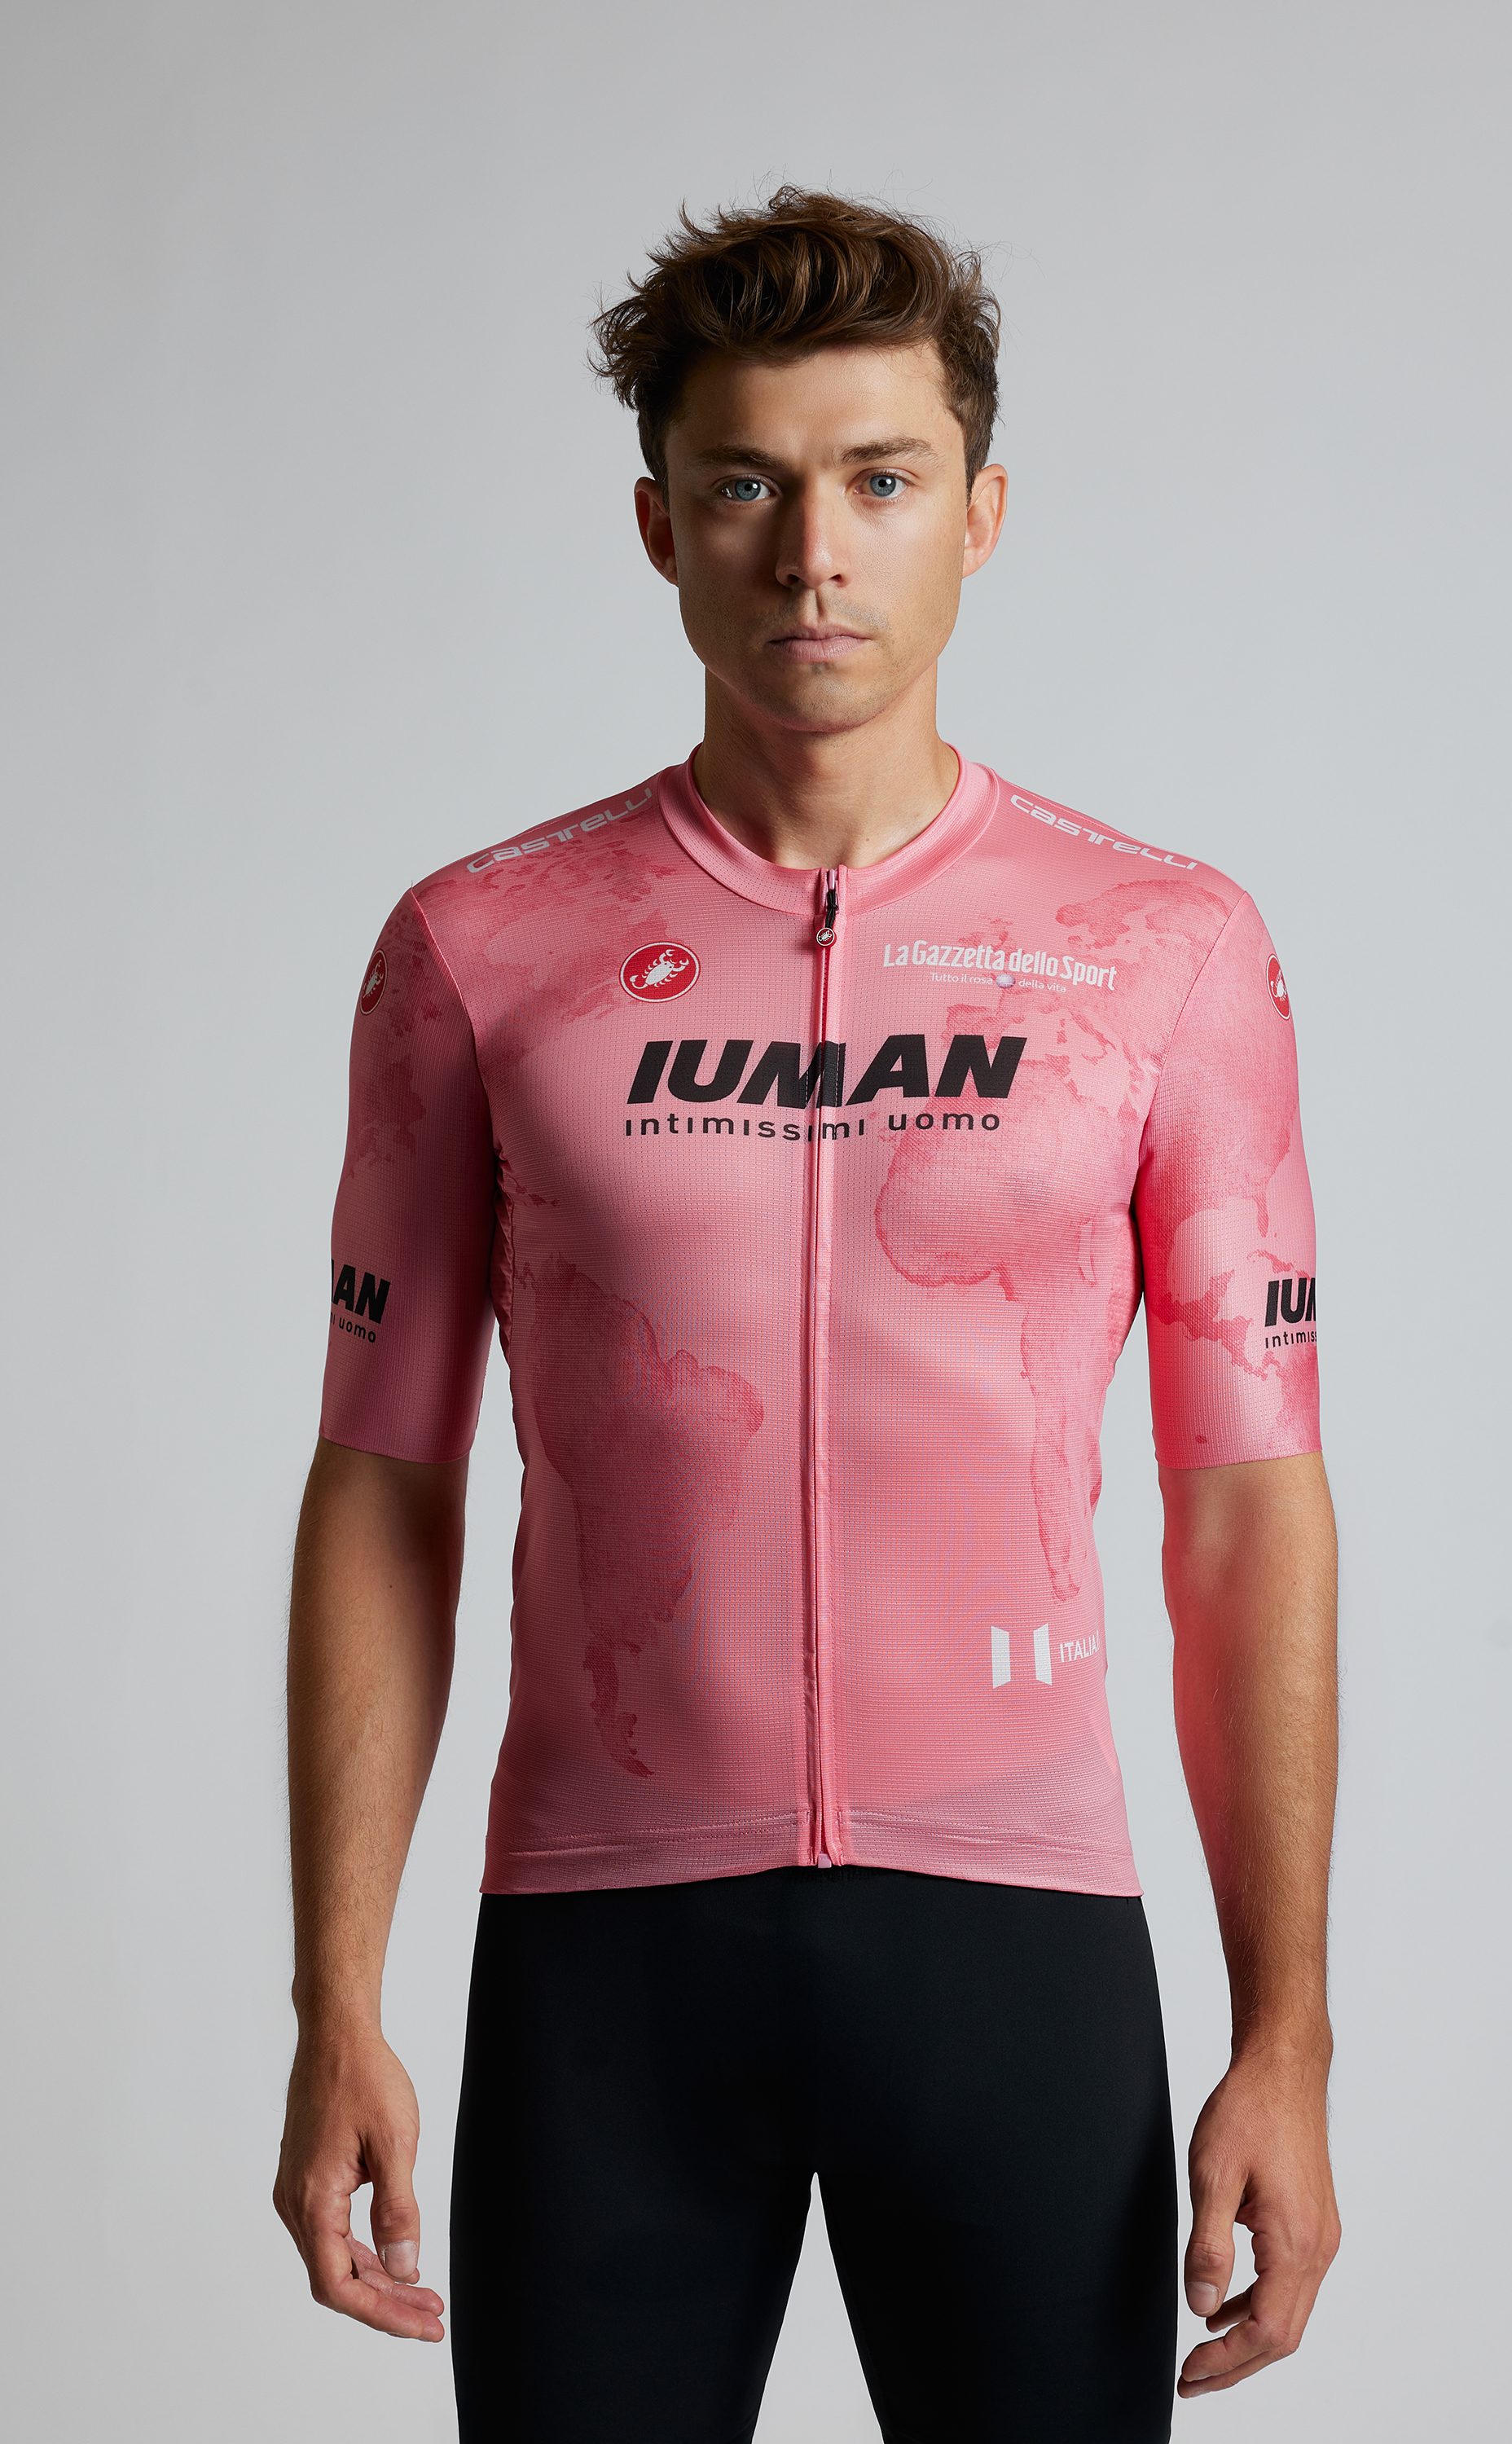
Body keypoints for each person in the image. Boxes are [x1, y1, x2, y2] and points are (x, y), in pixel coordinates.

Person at [273, 188, 1340, 2442]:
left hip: (1018, 1944)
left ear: (983, 514)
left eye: (881, 479)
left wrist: (1288, 2034)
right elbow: (381, 1480)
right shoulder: (481, 947)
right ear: (659, 527)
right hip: (606, 1953)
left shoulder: (1165, 952)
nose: (815, 555)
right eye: (748, 486)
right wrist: (335, 1997)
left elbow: (1249, 1509)